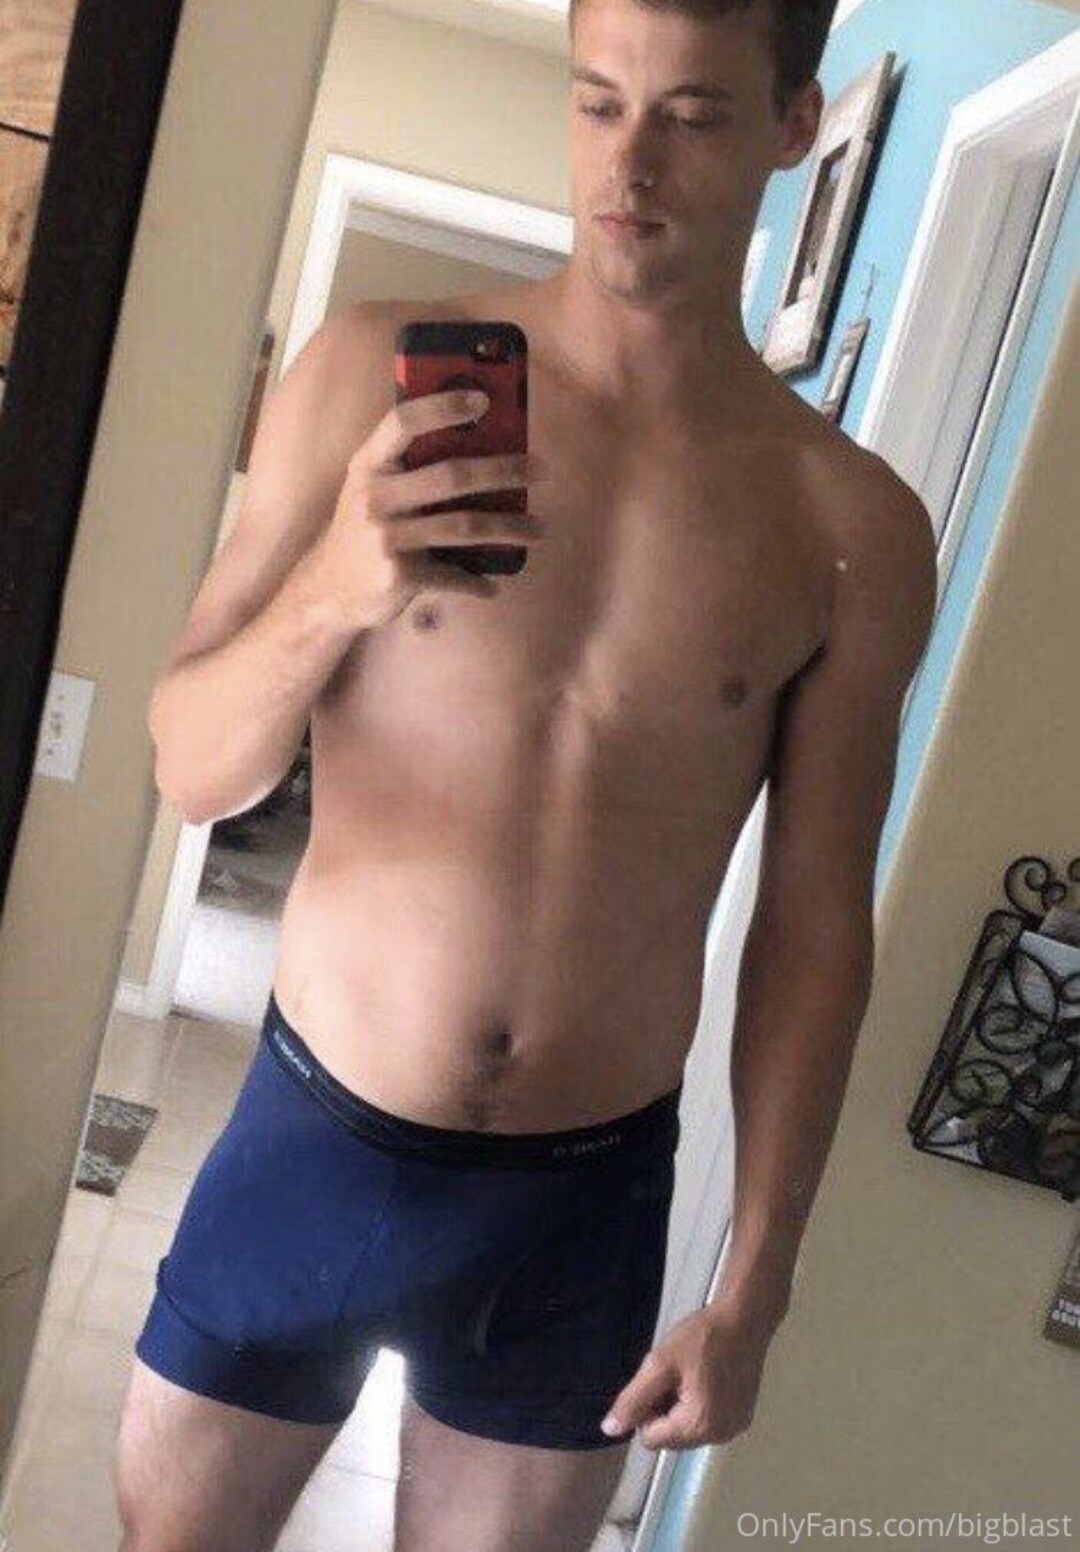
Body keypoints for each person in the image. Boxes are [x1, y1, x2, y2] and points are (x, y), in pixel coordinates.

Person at [114, 0, 937, 1548]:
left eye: (691, 114)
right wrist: (338, 587)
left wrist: (755, 1284)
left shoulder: (853, 526)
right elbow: (191, 769)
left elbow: (816, 929)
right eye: (598, 101)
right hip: (315, 1137)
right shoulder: (365, 381)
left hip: (582, 1204)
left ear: (793, 125)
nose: (629, 165)